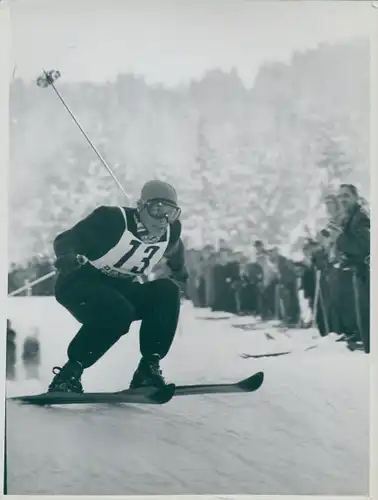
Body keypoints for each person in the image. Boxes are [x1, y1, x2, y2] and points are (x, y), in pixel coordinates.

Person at [48, 180, 189, 393]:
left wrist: (179, 272)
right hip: (79, 284)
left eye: (171, 212)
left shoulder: (171, 231)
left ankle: (148, 369)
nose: (163, 220)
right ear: (141, 206)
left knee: (167, 290)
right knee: (118, 311)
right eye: (157, 209)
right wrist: (67, 256)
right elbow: (67, 239)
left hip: (120, 289)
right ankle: (69, 374)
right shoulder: (111, 220)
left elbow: (176, 250)